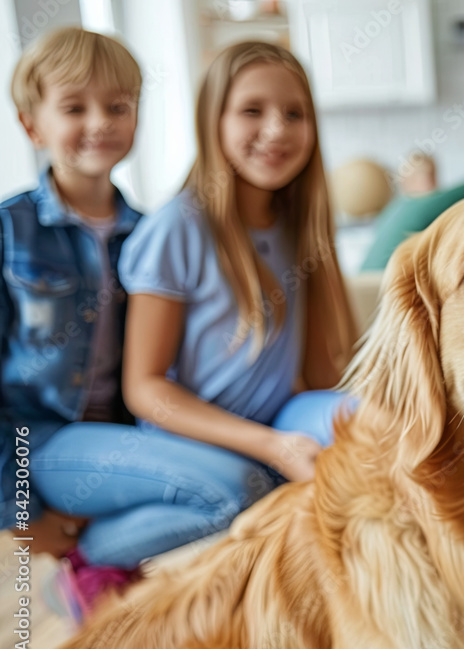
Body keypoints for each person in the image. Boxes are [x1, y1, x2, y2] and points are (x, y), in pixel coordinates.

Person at [30, 40, 357, 617]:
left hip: (271, 422)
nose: (277, 129)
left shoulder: (301, 226)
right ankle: (91, 559)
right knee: (243, 486)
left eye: (295, 113)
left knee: (365, 429)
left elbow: (322, 377)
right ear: (215, 121)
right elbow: (145, 389)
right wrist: (274, 448)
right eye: (252, 111)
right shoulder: (177, 228)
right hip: (185, 438)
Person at [0, 25, 141, 570]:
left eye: (117, 105)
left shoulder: (150, 236)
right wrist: (21, 512)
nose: (100, 122)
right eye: (74, 108)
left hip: (120, 439)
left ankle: (95, 570)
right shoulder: (11, 231)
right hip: (34, 441)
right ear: (32, 125)